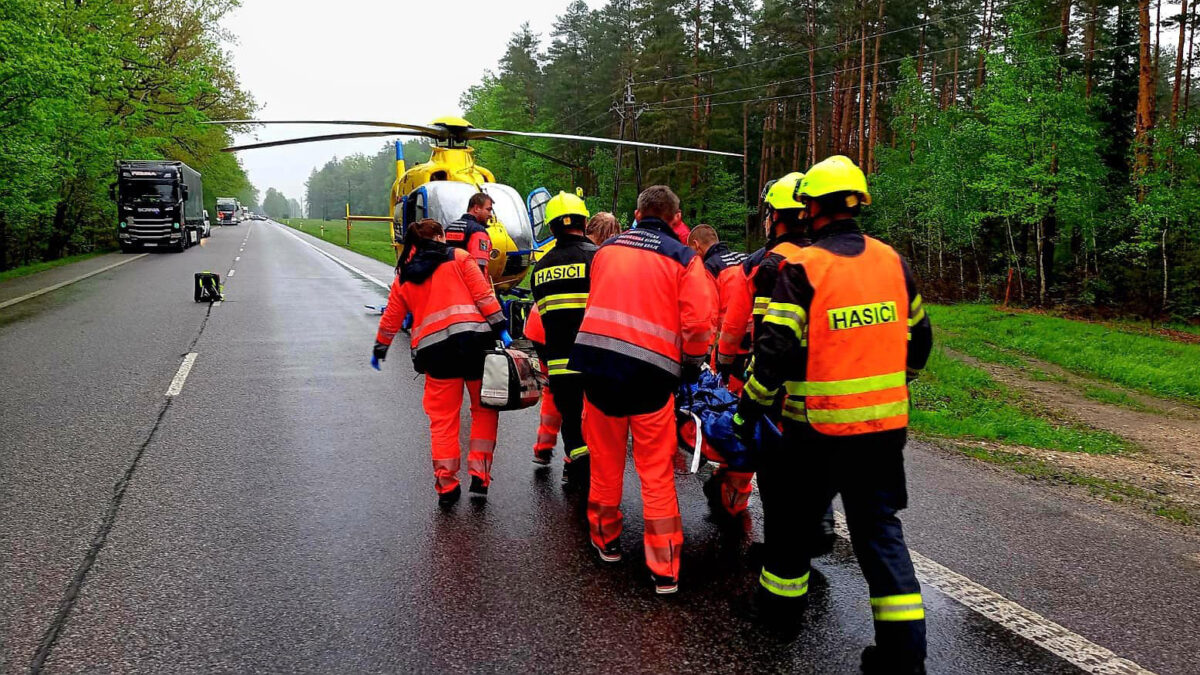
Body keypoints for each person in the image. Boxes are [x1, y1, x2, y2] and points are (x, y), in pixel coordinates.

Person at [734, 156, 933, 673]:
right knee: (880, 534)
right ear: (857, 203)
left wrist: (749, 405)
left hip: (816, 430)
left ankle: (778, 618)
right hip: (884, 431)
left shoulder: (806, 266)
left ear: (810, 208)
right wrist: (898, 377)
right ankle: (904, 657)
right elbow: (922, 339)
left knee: (792, 527)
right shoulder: (893, 261)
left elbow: (774, 350)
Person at [569, 185, 717, 595]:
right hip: (652, 377)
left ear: (637, 212)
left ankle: (606, 541)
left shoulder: (605, 250)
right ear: (676, 217)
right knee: (655, 472)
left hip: (597, 370)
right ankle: (665, 567)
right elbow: (699, 325)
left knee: (605, 461)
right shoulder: (685, 258)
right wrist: (690, 363)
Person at [372, 218, 511, 507]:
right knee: (484, 410)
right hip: (475, 347)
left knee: (443, 421)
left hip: (436, 356)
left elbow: (392, 318)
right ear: (438, 236)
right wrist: (503, 330)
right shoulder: (460, 258)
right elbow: (484, 296)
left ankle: (447, 485)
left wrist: (380, 348)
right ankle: (480, 477)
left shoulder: (405, 276)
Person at [705, 173, 811, 520]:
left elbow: (734, 325)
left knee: (750, 438)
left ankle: (735, 503)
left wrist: (722, 361)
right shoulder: (827, 258)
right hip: (820, 383)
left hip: (764, 374)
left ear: (776, 216)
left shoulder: (758, 264)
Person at [527, 191, 598, 484]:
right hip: (596, 359)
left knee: (570, 419)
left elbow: (546, 320)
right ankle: (596, 478)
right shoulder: (597, 258)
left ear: (552, 227)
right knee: (595, 421)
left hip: (558, 363)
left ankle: (579, 466)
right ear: (583, 221)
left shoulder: (540, 269)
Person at [524, 307, 563, 466]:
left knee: (553, 386)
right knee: (579, 391)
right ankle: (575, 460)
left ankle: (544, 447)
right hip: (565, 327)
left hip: (539, 324)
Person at [445, 192, 495, 274]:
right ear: (476, 208)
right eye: (488, 210)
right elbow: (479, 266)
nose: (490, 215)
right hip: (466, 282)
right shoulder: (478, 231)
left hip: (449, 280)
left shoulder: (450, 227)